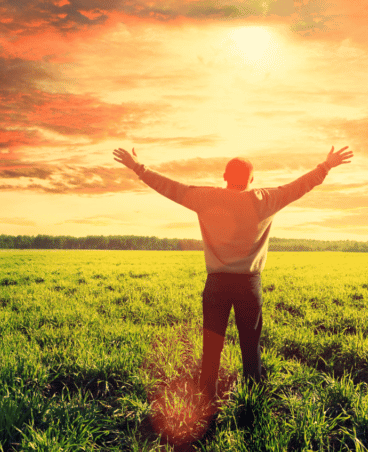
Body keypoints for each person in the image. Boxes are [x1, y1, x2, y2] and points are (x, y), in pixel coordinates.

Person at [112, 145, 353, 404]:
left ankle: (208, 399)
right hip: (249, 284)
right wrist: (326, 165)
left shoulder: (206, 198)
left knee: (212, 347)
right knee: (251, 347)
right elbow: (301, 185)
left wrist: (138, 167)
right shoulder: (266, 199)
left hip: (217, 283)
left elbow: (169, 187)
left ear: (224, 176)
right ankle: (253, 399)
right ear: (251, 179)